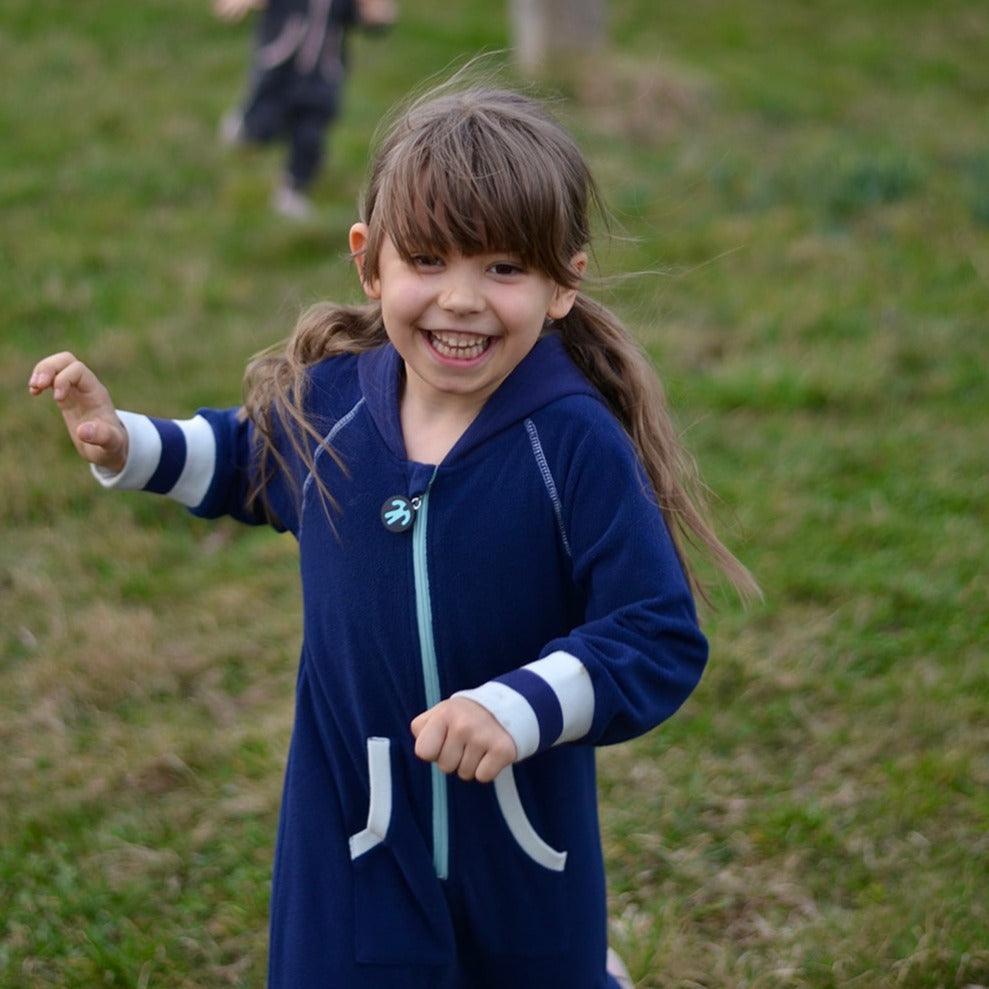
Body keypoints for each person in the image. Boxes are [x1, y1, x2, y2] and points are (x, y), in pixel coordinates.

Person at [29, 81, 757, 988]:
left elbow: (655, 631)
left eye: (503, 268)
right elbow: (247, 456)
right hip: (352, 836)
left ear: (563, 282)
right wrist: (128, 441)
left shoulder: (570, 444)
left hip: (518, 843)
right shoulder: (333, 408)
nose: (461, 299)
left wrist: (521, 704)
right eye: (428, 261)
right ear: (370, 265)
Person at [215, 0, 396, 220]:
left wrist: (377, 14)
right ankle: (245, 127)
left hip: (322, 76)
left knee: (310, 136)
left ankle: (293, 188)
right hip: (279, 68)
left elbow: (369, 17)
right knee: (262, 124)